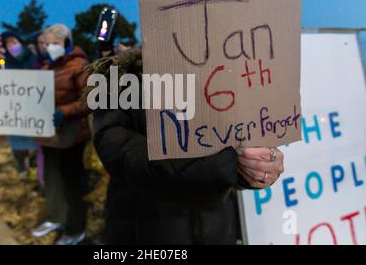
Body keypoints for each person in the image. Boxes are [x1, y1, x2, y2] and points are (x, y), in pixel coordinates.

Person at [87, 49, 285, 244]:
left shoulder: (222, 73)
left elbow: (237, 146)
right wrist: (223, 162)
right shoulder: (117, 74)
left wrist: (255, 166)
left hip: (216, 230)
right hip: (145, 232)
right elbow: (118, 152)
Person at [31, 24, 91, 245]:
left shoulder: (80, 66)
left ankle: (76, 229)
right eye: (46, 44)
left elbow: (89, 100)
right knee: (52, 178)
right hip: (50, 134)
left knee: (70, 182)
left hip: (72, 135)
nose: (49, 48)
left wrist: (64, 111)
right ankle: (57, 217)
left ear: (66, 43)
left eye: (54, 44)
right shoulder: (48, 67)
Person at [1, 31, 40, 179]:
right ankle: (22, 168)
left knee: (36, 139)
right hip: (14, 107)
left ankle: (36, 164)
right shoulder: (4, 61)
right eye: (9, 44)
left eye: (14, 42)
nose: (12, 46)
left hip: (33, 104)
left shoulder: (32, 57)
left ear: (20, 42)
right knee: (17, 140)